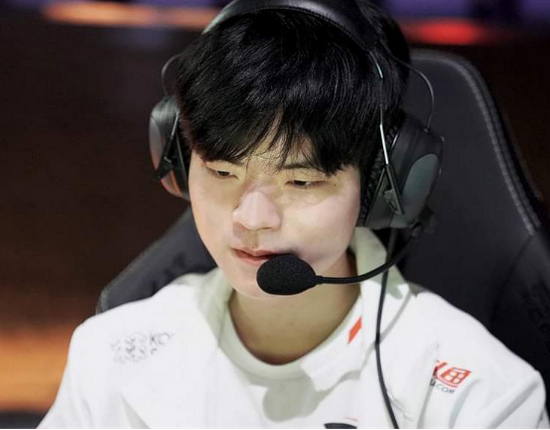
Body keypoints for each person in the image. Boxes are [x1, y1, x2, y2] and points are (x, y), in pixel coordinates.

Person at [37, 1, 549, 428]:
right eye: (221, 172)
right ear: (178, 160)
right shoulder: (111, 357)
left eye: (300, 182)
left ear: (380, 184)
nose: (251, 218)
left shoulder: (476, 395)